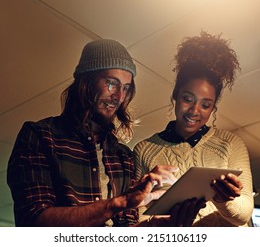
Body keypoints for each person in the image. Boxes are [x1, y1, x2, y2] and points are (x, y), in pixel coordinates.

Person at [7, 39, 205, 227]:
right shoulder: (40, 135)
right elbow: (32, 222)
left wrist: (155, 227)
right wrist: (120, 202)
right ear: (86, 81)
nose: (119, 96)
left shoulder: (123, 156)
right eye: (111, 83)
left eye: (125, 88)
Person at [133, 31, 254, 226]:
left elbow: (244, 214)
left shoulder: (231, 143)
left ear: (213, 107)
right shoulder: (144, 150)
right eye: (188, 99)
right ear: (175, 95)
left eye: (205, 105)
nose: (194, 111)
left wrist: (223, 201)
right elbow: (137, 217)